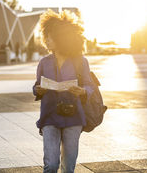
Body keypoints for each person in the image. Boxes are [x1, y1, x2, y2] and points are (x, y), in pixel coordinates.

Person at [33, 10, 94, 173]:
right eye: (45, 36)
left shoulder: (81, 62)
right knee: (51, 165)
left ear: (60, 38)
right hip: (50, 116)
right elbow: (36, 85)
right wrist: (38, 90)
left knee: (68, 167)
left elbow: (90, 86)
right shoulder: (44, 63)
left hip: (73, 117)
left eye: (50, 36)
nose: (46, 40)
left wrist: (82, 91)